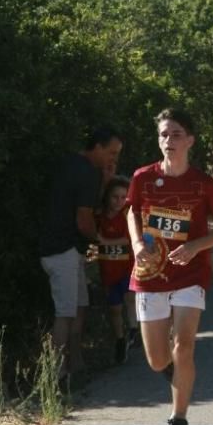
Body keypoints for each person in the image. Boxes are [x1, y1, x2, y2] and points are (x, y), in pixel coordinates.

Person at [127, 109, 213, 425]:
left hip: (191, 274)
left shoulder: (203, 184)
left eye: (176, 134)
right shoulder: (143, 178)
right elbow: (132, 210)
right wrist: (135, 243)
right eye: (163, 134)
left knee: (184, 345)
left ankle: (179, 418)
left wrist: (195, 247)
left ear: (190, 140)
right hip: (150, 274)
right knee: (158, 358)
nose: (168, 141)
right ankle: (179, 377)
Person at [39, 126, 122, 379]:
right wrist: (102, 240)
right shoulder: (86, 172)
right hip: (61, 250)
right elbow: (84, 219)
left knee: (80, 307)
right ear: (97, 147)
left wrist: (106, 181)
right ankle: (57, 373)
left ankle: (77, 365)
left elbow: (86, 202)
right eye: (111, 153)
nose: (113, 159)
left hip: (68, 250)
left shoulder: (73, 164)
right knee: (65, 313)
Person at [95, 175, 137, 365]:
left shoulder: (127, 215)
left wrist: (105, 241)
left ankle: (134, 330)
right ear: (107, 197)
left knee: (129, 298)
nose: (119, 201)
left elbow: (127, 240)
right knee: (114, 308)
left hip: (127, 268)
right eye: (115, 197)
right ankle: (120, 339)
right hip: (108, 270)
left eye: (123, 197)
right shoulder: (99, 216)